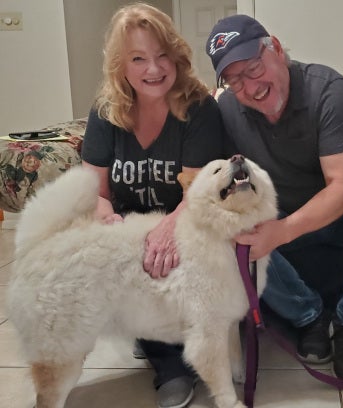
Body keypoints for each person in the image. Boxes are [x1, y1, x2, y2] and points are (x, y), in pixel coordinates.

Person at [206, 14, 343, 382]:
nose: (250, 85)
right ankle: (308, 316)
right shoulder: (225, 110)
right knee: (222, 224)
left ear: (275, 48)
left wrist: (281, 231)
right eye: (234, 80)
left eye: (253, 67)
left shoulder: (328, 88)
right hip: (275, 219)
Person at [81, 4, 224, 407]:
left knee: (175, 257)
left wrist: (166, 229)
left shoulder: (199, 109)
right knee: (118, 254)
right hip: (129, 225)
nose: (154, 68)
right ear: (120, 66)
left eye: (162, 55)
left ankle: (170, 339)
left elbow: (197, 194)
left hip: (188, 216)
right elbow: (95, 192)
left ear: (177, 56)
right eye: (139, 58)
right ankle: (167, 361)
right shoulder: (105, 112)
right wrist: (107, 220)